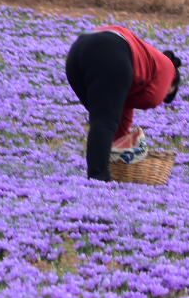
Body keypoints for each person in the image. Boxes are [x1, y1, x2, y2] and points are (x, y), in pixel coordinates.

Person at [64, 25, 182, 181]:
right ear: (172, 86)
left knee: (103, 119)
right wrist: (117, 106)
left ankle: (101, 169)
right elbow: (152, 99)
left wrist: (120, 142)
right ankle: (98, 177)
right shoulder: (168, 67)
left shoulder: (148, 58)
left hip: (78, 50)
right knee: (104, 121)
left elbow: (121, 116)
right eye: (168, 93)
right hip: (112, 51)